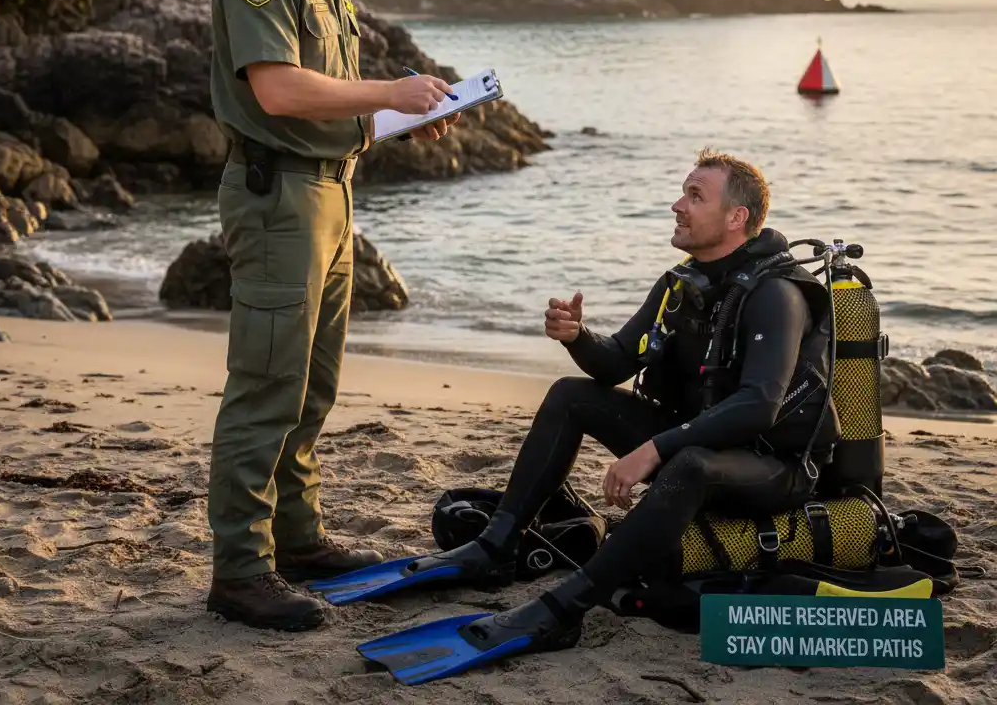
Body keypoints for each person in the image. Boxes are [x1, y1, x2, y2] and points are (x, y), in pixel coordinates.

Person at [335, 149, 843, 659]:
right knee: (569, 396)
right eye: (682, 191)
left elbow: (759, 406)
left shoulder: (777, 294)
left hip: (772, 468)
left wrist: (653, 449)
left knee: (688, 463)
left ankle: (563, 609)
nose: (677, 205)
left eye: (694, 195)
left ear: (737, 218)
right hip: (696, 445)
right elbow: (616, 361)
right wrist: (578, 337)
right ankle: (496, 546)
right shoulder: (683, 283)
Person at [206, 0, 460, 632]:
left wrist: (393, 114)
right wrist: (388, 87)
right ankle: (240, 573)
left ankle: (297, 537)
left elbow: (326, 95)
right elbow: (279, 91)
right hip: (279, 199)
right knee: (267, 388)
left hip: (329, 194)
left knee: (311, 386)